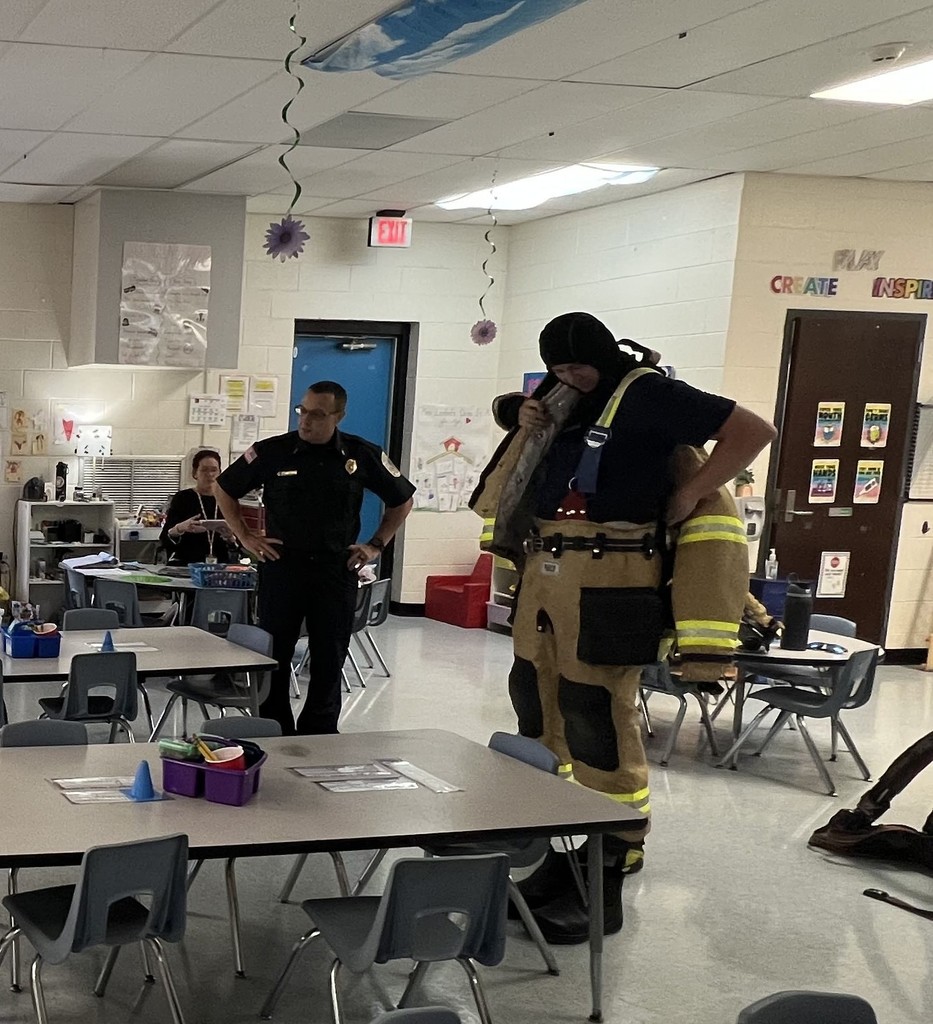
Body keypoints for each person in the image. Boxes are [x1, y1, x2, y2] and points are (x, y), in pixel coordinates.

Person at [473, 312, 776, 943]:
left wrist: (694, 489)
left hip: (614, 580)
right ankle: (560, 857)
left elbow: (753, 430)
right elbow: (523, 435)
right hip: (549, 575)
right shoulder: (567, 401)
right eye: (557, 369)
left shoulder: (647, 392)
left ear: (605, 355)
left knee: (596, 717)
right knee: (537, 706)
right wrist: (522, 409)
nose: (568, 377)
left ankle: (606, 868)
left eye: (577, 366)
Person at [214, 381, 415, 736]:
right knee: (273, 655)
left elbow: (402, 500)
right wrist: (245, 535)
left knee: (329, 657)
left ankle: (319, 734)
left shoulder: (360, 455)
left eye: (317, 414)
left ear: (338, 416)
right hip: (282, 565)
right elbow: (224, 487)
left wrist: (375, 545)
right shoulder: (273, 452)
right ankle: (274, 729)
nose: (306, 421)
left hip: (335, 568)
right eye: (302, 411)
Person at [161, 449, 236, 565]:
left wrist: (230, 537)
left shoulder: (228, 499)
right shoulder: (183, 498)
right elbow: (165, 537)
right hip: (186, 564)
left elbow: (238, 547)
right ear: (195, 473)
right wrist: (180, 528)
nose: (210, 475)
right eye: (204, 470)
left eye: (214, 470)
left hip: (220, 568)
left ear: (220, 473)